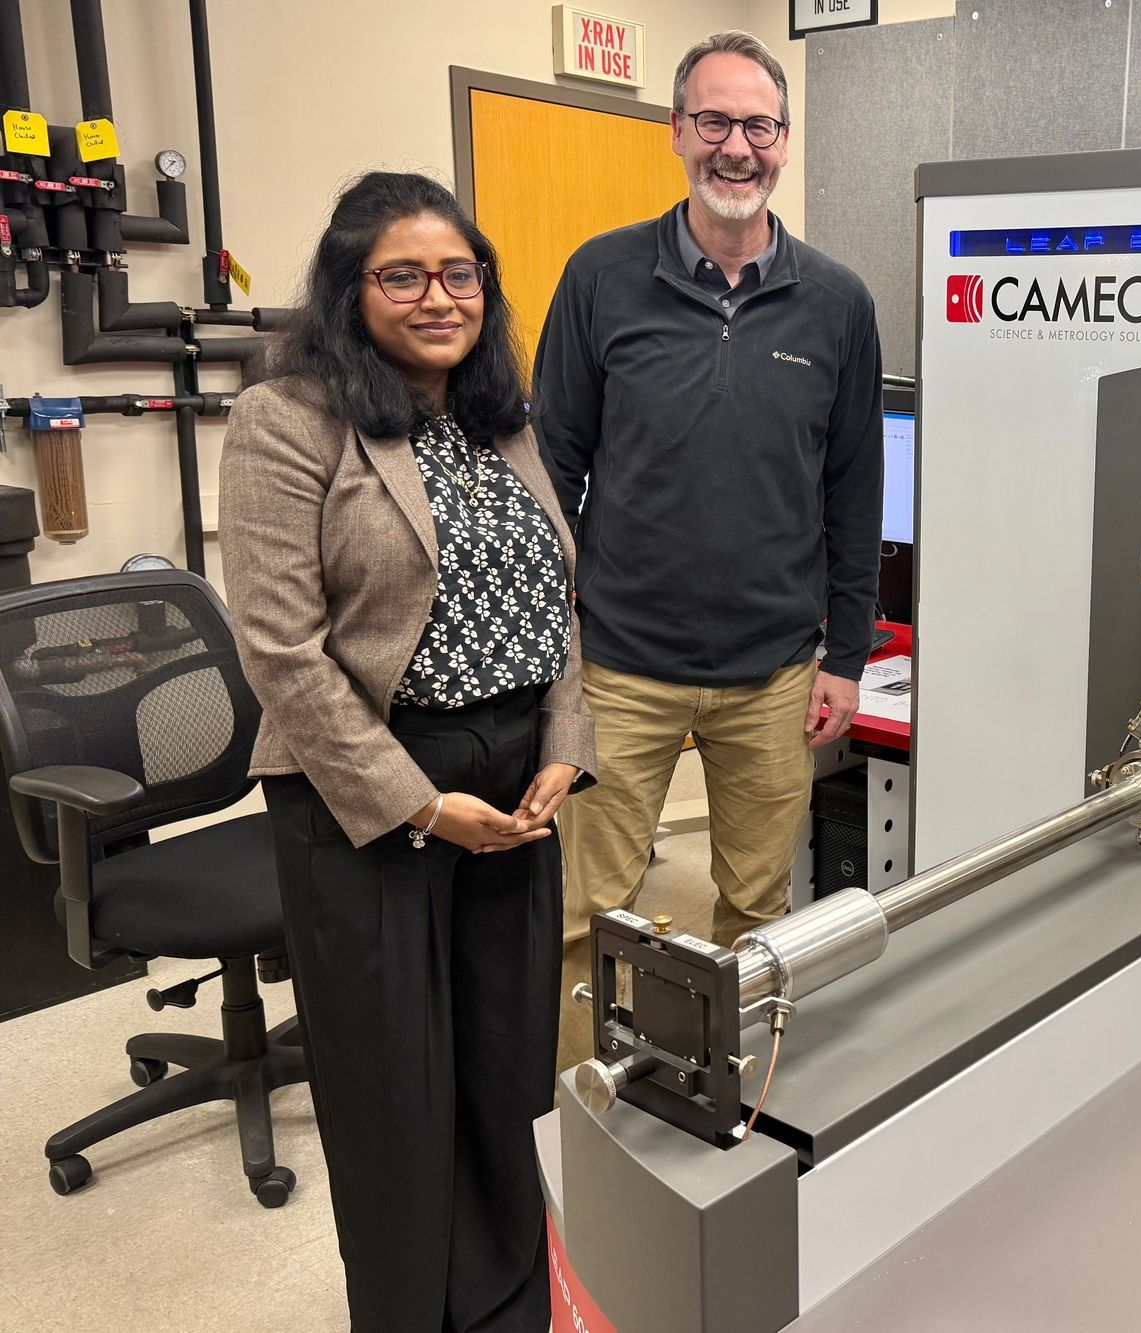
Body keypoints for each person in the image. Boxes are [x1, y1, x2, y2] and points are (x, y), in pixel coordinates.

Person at [220, 171, 595, 1331]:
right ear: (351, 288)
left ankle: (505, 1304)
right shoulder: (285, 420)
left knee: (507, 1070)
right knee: (394, 1092)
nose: (439, 296)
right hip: (366, 791)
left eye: (459, 273)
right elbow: (280, 651)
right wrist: (421, 804)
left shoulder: (501, 416)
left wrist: (564, 742)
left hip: (514, 786)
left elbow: (556, 599)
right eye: (404, 275)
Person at [535, 30, 883, 1072]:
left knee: (758, 911)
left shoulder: (838, 302)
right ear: (677, 131)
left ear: (786, 139)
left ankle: (739, 1093)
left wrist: (846, 655)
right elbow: (550, 468)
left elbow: (853, 488)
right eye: (716, 122)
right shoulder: (601, 277)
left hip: (773, 671)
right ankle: (581, 1114)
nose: (738, 147)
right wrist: (554, 640)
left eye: (759, 126)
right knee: (585, 915)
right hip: (619, 665)